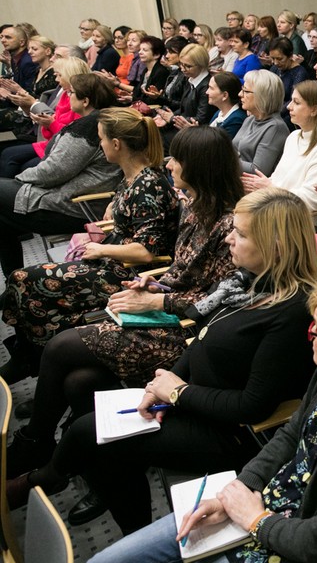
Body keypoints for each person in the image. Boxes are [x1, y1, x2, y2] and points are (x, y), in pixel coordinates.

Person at [12, 187, 317, 533]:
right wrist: (159, 387)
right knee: (81, 382)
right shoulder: (243, 282)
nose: (230, 239)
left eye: (241, 233)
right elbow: (199, 342)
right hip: (192, 399)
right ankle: (122, 510)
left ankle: (45, 477)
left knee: (88, 433)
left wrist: (177, 392)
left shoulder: (292, 311)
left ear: (276, 247)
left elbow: (252, 407)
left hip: (227, 433)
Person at [88, 271, 317, 563]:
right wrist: (237, 490)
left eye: (316, 331)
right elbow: (290, 434)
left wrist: (254, 519)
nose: (308, 335)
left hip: (294, 537)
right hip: (259, 503)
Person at [4, 125, 241, 483]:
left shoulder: (230, 225)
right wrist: (151, 281)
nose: (170, 164)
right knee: (79, 380)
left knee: (60, 347)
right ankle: (95, 464)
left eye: (178, 159)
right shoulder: (197, 207)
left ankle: (36, 441)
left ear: (199, 167)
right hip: (164, 310)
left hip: (188, 335)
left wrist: (157, 298)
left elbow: (216, 300)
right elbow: (180, 271)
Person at [0, 76, 126, 276]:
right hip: (76, 198)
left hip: (73, 206)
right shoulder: (103, 119)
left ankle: (14, 281)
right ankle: (14, 283)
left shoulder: (89, 127)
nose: (66, 96)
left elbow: (53, 172)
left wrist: (20, 178)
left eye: (70, 93)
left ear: (85, 101)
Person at [241, 80, 317, 218]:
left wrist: (269, 189)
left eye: (296, 102)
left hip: (299, 222)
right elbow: (277, 180)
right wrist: (258, 186)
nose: (289, 106)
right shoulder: (294, 136)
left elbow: (312, 201)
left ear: (314, 110)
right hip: (275, 209)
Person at [233, 69, 290, 175]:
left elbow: (259, 170)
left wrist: (225, 161)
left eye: (246, 91)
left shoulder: (276, 127)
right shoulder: (249, 120)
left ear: (262, 96)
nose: (240, 94)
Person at [206, 71, 247, 138]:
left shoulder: (236, 119)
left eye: (211, 88)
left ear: (225, 95)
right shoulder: (219, 113)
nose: (207, 92)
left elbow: (221, 145)